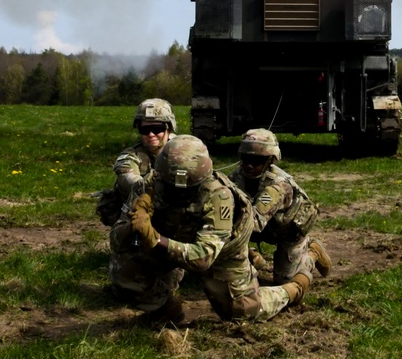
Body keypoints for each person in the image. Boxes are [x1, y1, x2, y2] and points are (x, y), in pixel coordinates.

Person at [108, 135, 309, 324]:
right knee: (124, 277)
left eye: (189, 189)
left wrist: (155, 239)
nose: (180, 193)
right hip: (176, 235)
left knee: (241, 311)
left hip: (224, 247)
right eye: (172, 187)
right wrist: (133, 226)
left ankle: (294, 289)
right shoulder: (148, 186)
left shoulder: (219, 196)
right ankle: (166, 309)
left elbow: (203, 258)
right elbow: (117, 240)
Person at [230, 128, 331, 286]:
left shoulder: (278, 186)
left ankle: (313, 253)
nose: (249, 165)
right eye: (245, 158)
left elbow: (255, 222)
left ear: (270, 160)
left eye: (256, 161)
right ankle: (250, 256)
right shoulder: (236, 177)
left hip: (287, 232)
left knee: (285, 281)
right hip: (264, 227)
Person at [95, 97, 176, 227]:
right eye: (144, 130)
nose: (150, 134)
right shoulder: (131, 156)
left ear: (169, 128)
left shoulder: (185, 150)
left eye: (157, 129)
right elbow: (130, 182)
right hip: (142, 215)